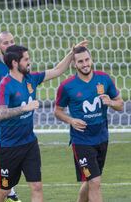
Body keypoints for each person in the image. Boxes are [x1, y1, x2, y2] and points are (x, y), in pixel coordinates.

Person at [0, 41, 87, 202]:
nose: (29, 62)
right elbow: (0, 113)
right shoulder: (5, 85)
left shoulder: (31, 79)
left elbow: (57, 70)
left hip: (29, 144)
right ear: (15, 63)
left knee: (36, 186)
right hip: (8, 147)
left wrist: (72, 53)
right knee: (4, 190)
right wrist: (25, 108)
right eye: (26, 59)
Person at [54, 46, 123, 202]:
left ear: (91, 59)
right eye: (80, 61)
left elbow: (120, 104)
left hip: (102, 137)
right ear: (74, 64)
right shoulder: (67, 86)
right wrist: (71, 120)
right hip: (81, 141)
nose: (85, 64)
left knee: (91, 181)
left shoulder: (104, 79)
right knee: (95, 182)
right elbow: (57, 111)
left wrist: (111, 102)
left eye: (86, 59)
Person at [0, 31, 21, 202]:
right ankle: (10, 192)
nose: (9, 45)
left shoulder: (19, 64)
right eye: (5, 43)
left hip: (17, 118)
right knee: (1, 155)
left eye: (11, 41)